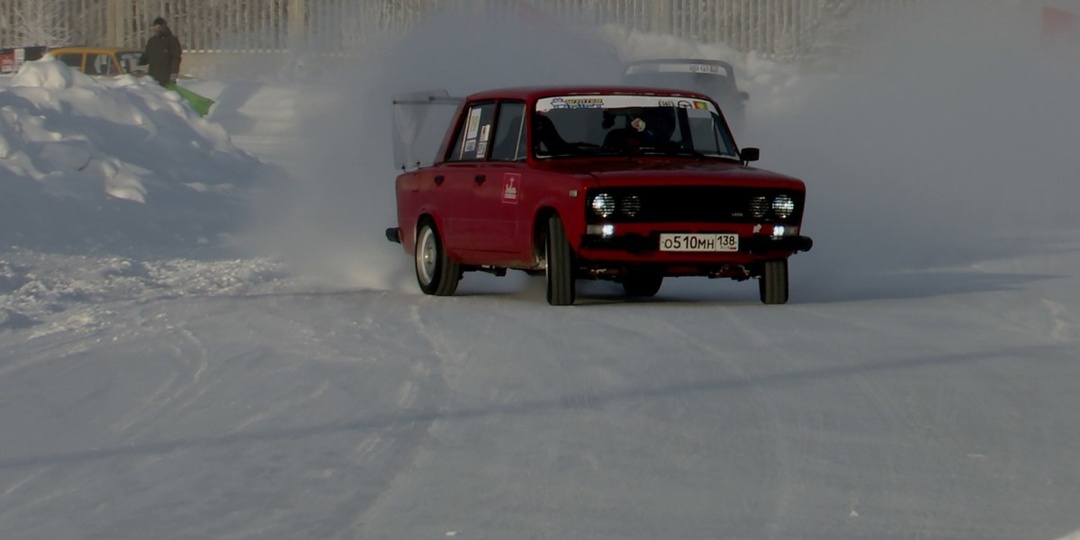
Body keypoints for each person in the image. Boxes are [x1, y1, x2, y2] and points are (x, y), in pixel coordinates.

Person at [140, 17, 182, 86]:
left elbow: (176, 57)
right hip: (152, 76)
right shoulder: (152, 41)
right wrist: (139, 62)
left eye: (158, 27)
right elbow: (146, 56)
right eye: (154, 28)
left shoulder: (172, 40)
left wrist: (174, 73)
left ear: (163, 27)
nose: (156, 30)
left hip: (166, 76)